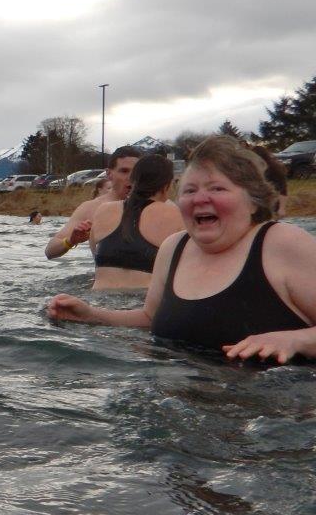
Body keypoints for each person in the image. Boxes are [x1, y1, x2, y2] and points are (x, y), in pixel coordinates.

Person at [47, 136, 316, 362]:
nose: (200, 198)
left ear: (254, 199)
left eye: (217, 188)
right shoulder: (174, 247)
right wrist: (91, 315)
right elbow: (149, 318)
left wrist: (296, 340)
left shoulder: (282, 243)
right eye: (189, 190)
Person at [88, 154, 184, 289]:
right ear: (166, 185)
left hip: (97, 298)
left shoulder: (103, 210)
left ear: (133, 180)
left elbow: (95, 258)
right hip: (142, 298)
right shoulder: (173, 213)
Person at [45, 146, 141, 260]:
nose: (131, 177)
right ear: (109, 174)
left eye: (136, 172)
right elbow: (50, 251)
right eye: (124, 171)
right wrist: (70, 241)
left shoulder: (153, 206)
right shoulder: (91, 208)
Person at [249, 144, 289, 218]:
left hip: (272, 205)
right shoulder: (251, 169)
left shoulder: (275, 170)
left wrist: (282, 208)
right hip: (256, 203)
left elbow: (283, 190)